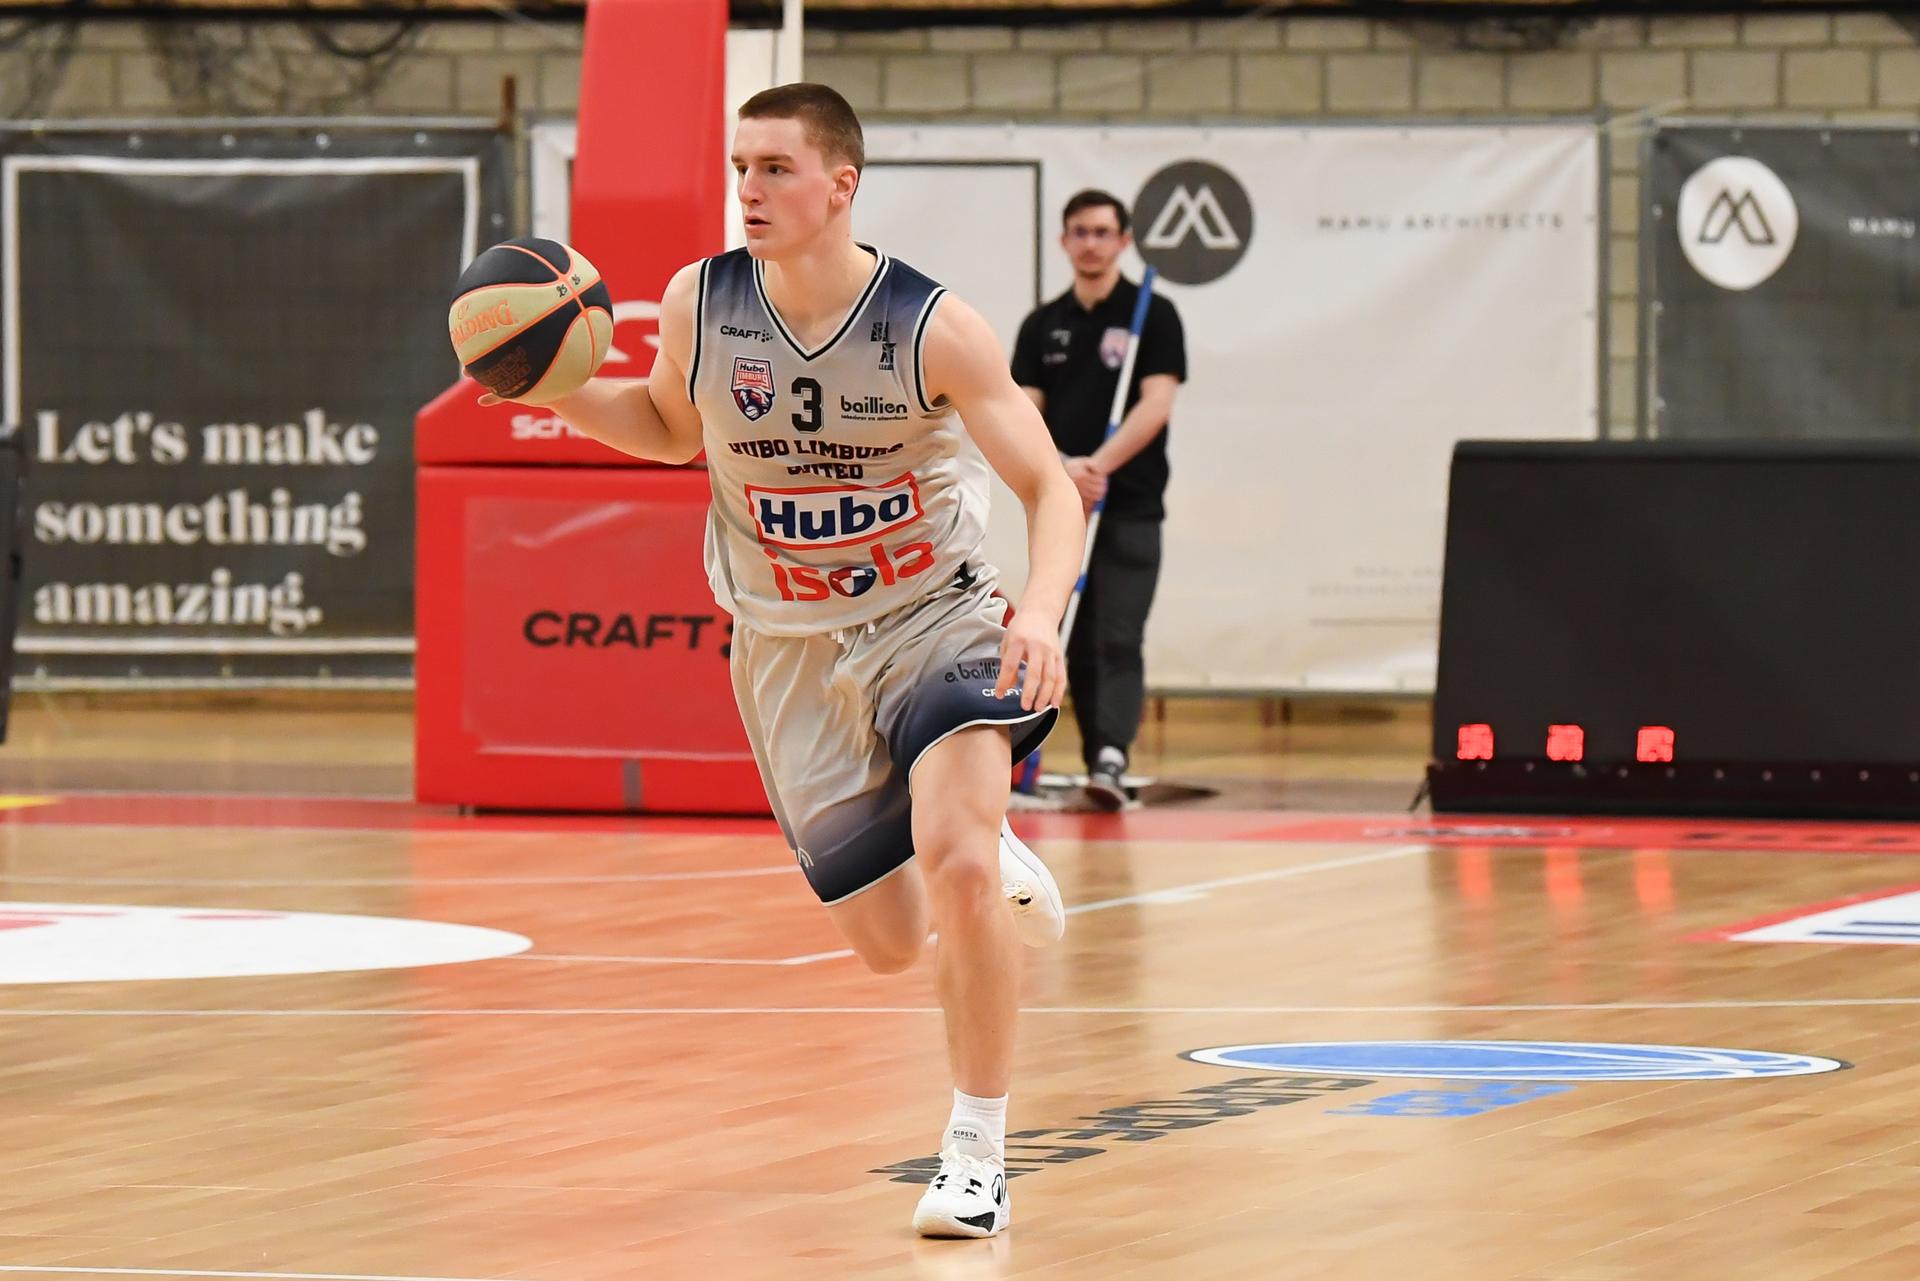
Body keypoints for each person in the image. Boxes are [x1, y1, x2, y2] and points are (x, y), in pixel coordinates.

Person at [479, 83, 1083, 1241]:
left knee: (958, 867)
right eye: (739, 167)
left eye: (774, 169)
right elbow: (671, 430)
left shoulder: (931, 327)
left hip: (934, 619)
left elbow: (1050, 486)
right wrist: (558, 387)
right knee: (891, 944)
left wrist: (1044, 613)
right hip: (785, 648)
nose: (748, 190)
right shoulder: (700, 303)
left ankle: (976, 1155)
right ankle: (972, 838)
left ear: (840, 184)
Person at [1011, 192, 1186, 810]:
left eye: (1103, 232)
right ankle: (1025, 757)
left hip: (1130, 504)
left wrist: (1098, 467)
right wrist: (1063, 470)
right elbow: (1023, 412)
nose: (1091, 243)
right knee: (1060, 633)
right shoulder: (1042, 324)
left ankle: (1109, 758)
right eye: (1080, 232)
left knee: (1116, 633)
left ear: (1123, 241)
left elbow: (1156, 405)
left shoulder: (1152, 314)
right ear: (1065, 241)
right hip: (1063, 506)